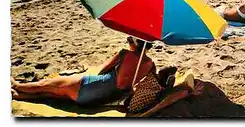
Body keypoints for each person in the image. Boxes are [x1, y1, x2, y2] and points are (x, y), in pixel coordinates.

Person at [11, 37, 155, 106]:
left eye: (129, 39)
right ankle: (20, 96)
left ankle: (17, 86)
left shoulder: (124, 54)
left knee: (46, 84)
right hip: (98, 100)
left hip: (88, 88)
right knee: (53, 94)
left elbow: (102, 71)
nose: (127, 41)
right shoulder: (151, 65)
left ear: (135, 43)